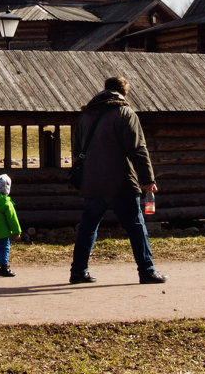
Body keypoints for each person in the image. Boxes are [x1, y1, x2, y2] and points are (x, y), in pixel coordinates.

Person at [69, 76, 167, 285]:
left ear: (105, 90)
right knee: (136, 226)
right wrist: (147, 179)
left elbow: (77, 151)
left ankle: (78, 271)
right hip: (120, 181)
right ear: (124, 92)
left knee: (88, 228)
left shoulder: (85, 117)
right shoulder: (125, 113)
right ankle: (147, 271)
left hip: (93, 183)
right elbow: (138, 149)